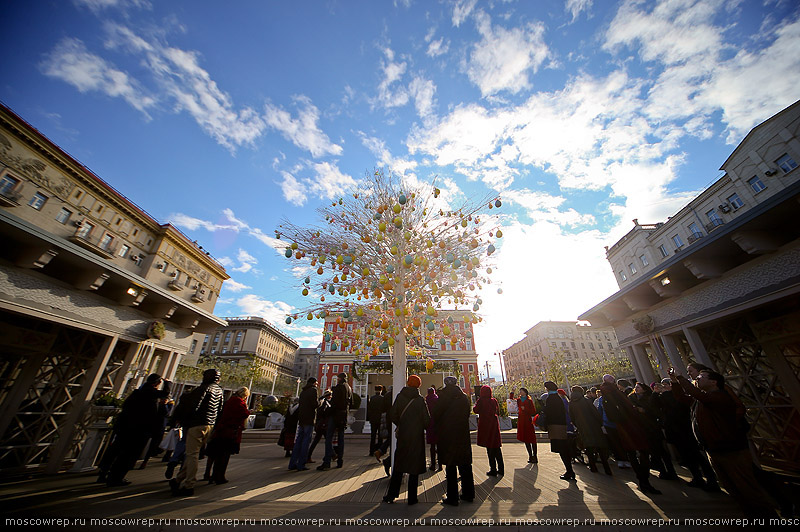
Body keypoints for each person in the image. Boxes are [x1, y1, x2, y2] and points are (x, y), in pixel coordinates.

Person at [670, 368, 778, 518]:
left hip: (731, 451)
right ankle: (752, 518)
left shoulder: (720, 397)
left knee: (748, 489)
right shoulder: (700, 399)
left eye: (701, 376)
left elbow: (697, 395)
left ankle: (769, 521)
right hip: (714, 450)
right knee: (733, 489)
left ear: (714, 382)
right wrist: (674, 381)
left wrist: (679, 377)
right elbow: (681, 397)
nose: (697, 379)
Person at [102, 374, 170, 487]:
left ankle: (105, 473)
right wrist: (167, 384)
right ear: (156, 383)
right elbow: (165, 394)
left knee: (116, 450)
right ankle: (117, 477)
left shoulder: (137, 393)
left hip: (125, 428)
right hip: (139, 430)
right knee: (129, 454)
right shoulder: (150, 393)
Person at [599, 374, 660, 495]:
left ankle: (642, 480)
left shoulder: (605, 395)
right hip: (630, 425)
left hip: (621, 427)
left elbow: (610, 414)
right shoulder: (614, 393)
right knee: (643, 451)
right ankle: (644, 480)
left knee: (632, 453)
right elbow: (625, 408)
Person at [170, 368, 223, 496]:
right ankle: (178, 479)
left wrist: (183, 420)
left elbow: (194, 406)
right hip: (209, 425)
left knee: (191, 454)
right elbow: (220, 410)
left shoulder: (203, 389)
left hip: (197, 424)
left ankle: (189, 485)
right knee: (193, 454)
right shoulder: (219, 390)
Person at [659, 378, 719, 490]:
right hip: (676, 431)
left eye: (666, 385)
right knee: (688, 456)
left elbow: (677, 407)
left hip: (685, 430)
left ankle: (710, 479)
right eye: (663, 385)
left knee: (696, 455)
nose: (663, 387)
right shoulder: (664, 397)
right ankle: (697, 477)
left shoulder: (677, 397)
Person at [382, 375, 429, 505]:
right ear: (419, 385)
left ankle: (391, 495)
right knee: (414, 467)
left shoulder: (400, 397)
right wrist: (418, 426)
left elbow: (392, 414)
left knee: (399, 465)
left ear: (408, 383)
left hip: (403, 435)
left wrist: (401, 424)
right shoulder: (420, 400)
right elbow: (427, 421)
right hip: (416, 437)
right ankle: (412, 498)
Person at [436, 376, 475, 506]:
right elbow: (467, 413)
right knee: (465, 465)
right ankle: (468, 494)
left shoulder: (442, 397)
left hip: (447, 435)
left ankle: (452, 497)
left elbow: (436, 415)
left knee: (450, 465)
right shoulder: (464, 397)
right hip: (462, 434)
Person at [629, 382, 677, 480]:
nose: (636, 389)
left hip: (653, 426)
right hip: (643, 428)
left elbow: (654, 410)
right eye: (636, 387)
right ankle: (663, 471)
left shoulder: (649, 397)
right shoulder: (632, 398)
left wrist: (645, 411)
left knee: (661, 451)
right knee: (654, 452)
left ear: (644, 389)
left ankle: (671, 471)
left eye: (638, 387)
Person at [206, 387, 250, 484]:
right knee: (224, 455)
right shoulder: (238, 402)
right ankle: (219, 476)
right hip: (229, 432)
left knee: (218, 454)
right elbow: (244, 413)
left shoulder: (230, 400)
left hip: (222, 430)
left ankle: (213, 474)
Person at [569, 385, 611, 475]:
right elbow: (594, 412)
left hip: (582, 427)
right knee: (600, 447)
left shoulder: (572, 403)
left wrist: (578, 425)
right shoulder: (586, 401)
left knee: (588, 447)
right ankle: (607, 468)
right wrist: (600, 423)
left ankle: (593, 467)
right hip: (593, 425)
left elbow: (572, 417)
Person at [318, 372, 352, 471]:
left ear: (339, 378)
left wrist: (327, 412)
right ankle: (340, 461)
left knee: (329, 438)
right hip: (344, 415)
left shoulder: (339, 387)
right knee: (341, 438)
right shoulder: (349, 388)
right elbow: (351, 402)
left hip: (335, 415)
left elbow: (334, 403)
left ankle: (327, 462)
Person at [543, 381, 574, 481]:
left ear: (547, 389)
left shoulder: (550, 399)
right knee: (563, 448)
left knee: (562, 449)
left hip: (555, 426)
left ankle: (569, 471)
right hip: (561, 425)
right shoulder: (559, 398)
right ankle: (569, 470)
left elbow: (549, 413)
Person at [289, 378, 318, 471]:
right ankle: (301, 463)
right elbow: (314, 404)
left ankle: (292, 463)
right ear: (314, 383)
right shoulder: (313, 390)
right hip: (309, 419)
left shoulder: (303, 392)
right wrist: (319, 402)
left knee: (298, 441)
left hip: (301, 419)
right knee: (306, 441)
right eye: (316, 383)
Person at [474, 385, 503, 476]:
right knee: (496, 448)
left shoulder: (481, 401)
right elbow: (497, 411)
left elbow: (476, 410)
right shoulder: (494, 401)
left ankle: (493, 469)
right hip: (494, 425)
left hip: (485, 425)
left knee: (489, 448)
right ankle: (501, 469)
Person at [306, 390, 331, 463]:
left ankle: (333, 454)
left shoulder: (322, 401)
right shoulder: (324, 402)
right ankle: (308, 455)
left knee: (321, 440)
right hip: (322, 424)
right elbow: (322, 412)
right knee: (324, 440)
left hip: (320, 424)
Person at [516, 387, 537, 464]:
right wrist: (512, 392)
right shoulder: (518, 400)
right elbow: (511, 401)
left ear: (525, 392)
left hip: (527, 420)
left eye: (522, 391)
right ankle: (530, 456)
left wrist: (525, 409)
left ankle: (535, 456)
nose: (520, 392)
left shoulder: (529, 401)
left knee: (531, 438)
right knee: (525, 438)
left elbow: (533, 411)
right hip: (521, 420)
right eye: (520, 391)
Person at [425, 386, 440, 471]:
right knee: (439, 444)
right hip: (438, 424)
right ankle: (440, 464)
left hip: (430, 424)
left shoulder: (426, 401)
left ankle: (433, 464)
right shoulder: (437, 400)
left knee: (432, 445)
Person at [367, 385, 384, 455]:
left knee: (373, 436)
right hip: (380, 419)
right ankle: (379, 451)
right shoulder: (382, 399)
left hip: (373, 419)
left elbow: (369, 409)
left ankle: (371, 451)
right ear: (381, 390)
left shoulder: (372, 398)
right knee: (380, 436)